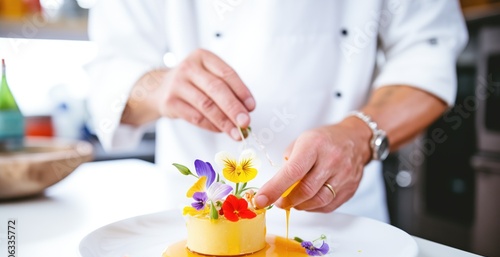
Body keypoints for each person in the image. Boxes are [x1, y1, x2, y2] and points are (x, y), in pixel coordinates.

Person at [86, 0, 468, 223]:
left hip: (343, 220)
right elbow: (111, 72)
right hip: (196, 217)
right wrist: (161, 87)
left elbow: (427, 51)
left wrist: (358, 136)